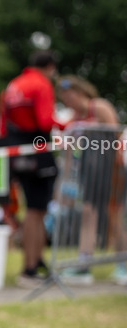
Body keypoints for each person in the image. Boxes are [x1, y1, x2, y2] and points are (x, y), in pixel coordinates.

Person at [56, 75, 127, 285]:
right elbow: (69, 151)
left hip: (111, 169)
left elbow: (116, 137)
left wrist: (116, 171)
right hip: (89, 172)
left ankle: (123, 262)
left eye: (70, 95)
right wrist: (66, 180)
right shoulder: (73, 118)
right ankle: (84, 263)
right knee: (88, 213)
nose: (68, 100)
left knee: (113, 215)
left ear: (81, 92)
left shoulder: (100, 107)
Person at [0, 50, 61, 288]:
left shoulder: (13, 85)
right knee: (36, 211)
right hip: (38, 151)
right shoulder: (41, 84)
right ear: (50, 66)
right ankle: (30, 267)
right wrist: (68, 124)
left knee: (33, 210)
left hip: (16, 153)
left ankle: (37, 260)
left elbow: (4, 125)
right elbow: (45, 121)